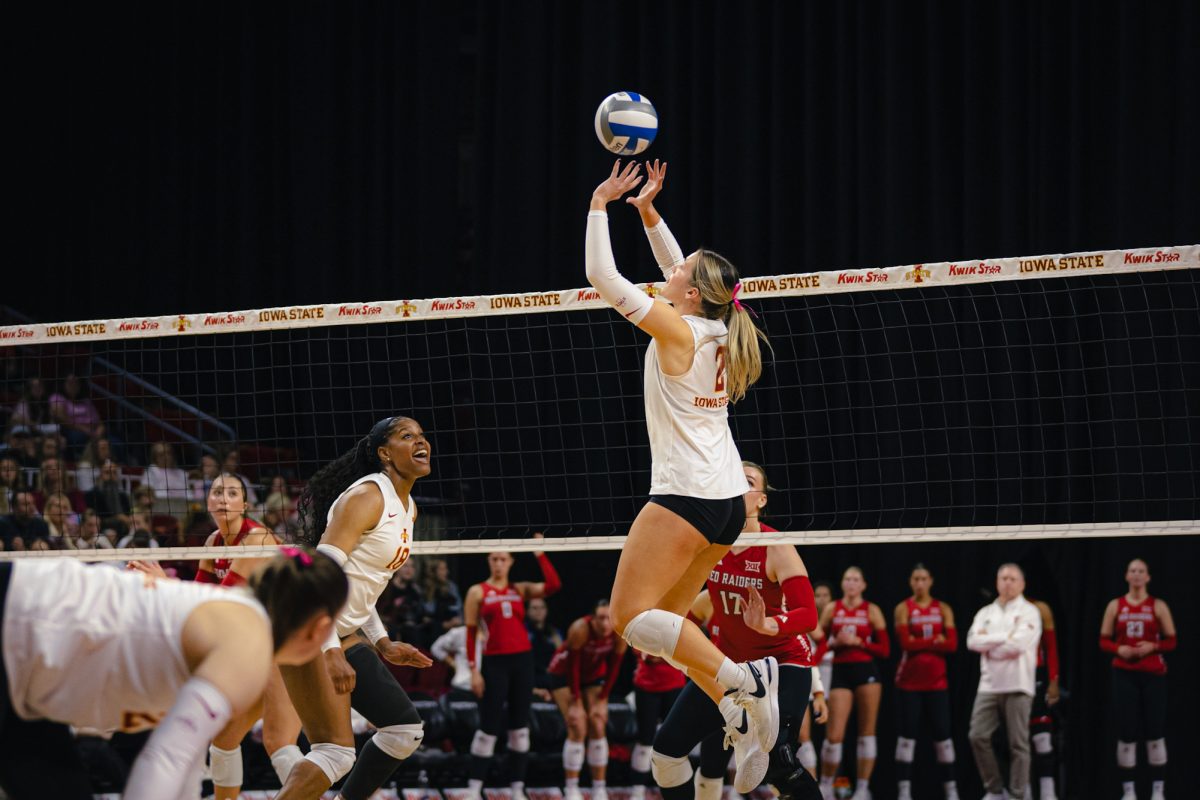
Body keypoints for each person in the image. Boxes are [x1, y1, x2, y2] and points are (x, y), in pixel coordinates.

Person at [586, 159, 777, 775]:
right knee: (663, 628)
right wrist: (646, 213)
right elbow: (679, 271)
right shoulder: (720, 328)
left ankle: (742, 682)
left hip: (684, 498)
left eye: (681, 271)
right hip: (724, 504)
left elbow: (600, 274)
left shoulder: (677, 330)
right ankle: (739, 716)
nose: (671, 271)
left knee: (629, 620)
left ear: (691, 292)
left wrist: (599, 203)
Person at [0, 547, 348, 799]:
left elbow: (187, 760)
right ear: (320, 628)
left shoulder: (238, 621)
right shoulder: (248, 645)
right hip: (13, 629)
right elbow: (166, 758)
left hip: (24, 670)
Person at [276, 415, 435, 800]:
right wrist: (330, 651)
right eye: (406, 436)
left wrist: (382, 643)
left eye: (422, 435)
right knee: (335, 753)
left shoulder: (407, 507)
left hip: (338, 629)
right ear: (384, 453)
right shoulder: (367, 497)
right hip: (306, 624)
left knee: (403, 731)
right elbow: (321, 579)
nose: (421, 442)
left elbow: (362, 585)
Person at [653, 462, 822, 800]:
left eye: (747, 482)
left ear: (761, 500)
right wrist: (653, 629)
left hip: (784, 663)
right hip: (729, 668)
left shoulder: (776, 546)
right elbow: (692, 606)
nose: (738, 486)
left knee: (780, 764)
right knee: (665, 753)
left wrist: (767, 624)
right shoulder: (710, 544)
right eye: (733, 480)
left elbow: (809, 615)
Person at [463, 543, 562, 800]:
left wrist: (540, 552)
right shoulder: (477, 592)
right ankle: (474, 788)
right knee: (489, 726)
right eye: (494, 559)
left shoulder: (519, 590)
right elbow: (471, 633)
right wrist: (474, 670)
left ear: (510, 562)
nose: (498, 563)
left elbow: (553, 586)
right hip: (494, 662)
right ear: (488, 560)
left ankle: (517, 787)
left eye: (503, 559)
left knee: (519, 726)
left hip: (522, 661)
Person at [1100, 558, 1177, 800]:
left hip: (1153, 675)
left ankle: (1158, 791)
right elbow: (1103, 640)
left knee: (1155, 730)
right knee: (1127, 731)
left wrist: (1153, 647)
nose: (1136, 574)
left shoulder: (1158, 606)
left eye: (1140, 571)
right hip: (1124, 673)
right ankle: (1129, 792)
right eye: (1132, 570)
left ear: (1148, 577)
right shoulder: (1116, 605)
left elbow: (1172, 641)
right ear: (1126, 576)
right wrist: (1118, 649)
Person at [966, 563, 1042, 800]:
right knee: (977, 735)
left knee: (1018, 743)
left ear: (1022, 583)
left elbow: (1018, 645)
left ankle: (1018, 793)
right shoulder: (985, 613)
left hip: (1018, 684)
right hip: (989, 685)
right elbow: (972, 642)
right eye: (1003, 578)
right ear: (997, 581)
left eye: (1012, 578)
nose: (1007, 582)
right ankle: (995, 790)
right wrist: (1003, 638)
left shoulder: (1030, 611)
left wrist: (990, 645)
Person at [818, 567, 889, 800]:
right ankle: (826, 785)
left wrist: (860, 642)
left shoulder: (872, 610)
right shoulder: (832, 608)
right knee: (834, 735)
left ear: (863, 585)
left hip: (866, 672)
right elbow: (819, 645)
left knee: (866, 733)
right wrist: (834, 642)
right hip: (840, 671)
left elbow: (885, 650)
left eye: (855, 579)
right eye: (847, 579)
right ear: (842, 583)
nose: (851, 583)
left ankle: (862, 788)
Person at [546, 601, 626, 800]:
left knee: (598, 723)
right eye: (600, 618)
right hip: (564, 676)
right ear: (593, 618)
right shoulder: (580, 628)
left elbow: (615, 666)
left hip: (593, 676)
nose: (605, 624)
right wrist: (576, 701)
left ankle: (599, 788)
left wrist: (602, 699)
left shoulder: (619, 630)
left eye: (609, 618)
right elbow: (573, 667)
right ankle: (571, 788)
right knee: (578, 724)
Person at [892, 564, 959, 800]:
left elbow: (952, 645)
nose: (920, 583)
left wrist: (919, 639)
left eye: (923, 578)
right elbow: (906, 644)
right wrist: (934, 641)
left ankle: (951, 792)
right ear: (911, 582)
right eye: (915, 579)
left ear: (931, 581)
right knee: (907, 735)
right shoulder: (903, 608)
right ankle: (904, 792)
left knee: (943, 735)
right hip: (909, 682)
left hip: (937, 683)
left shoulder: (943, 608)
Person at [629, 648, 686, 800]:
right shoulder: (643, 624)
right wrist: (670, 655)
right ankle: (637, 789)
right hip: (646, 686)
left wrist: (667, 655)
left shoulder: (682, 623)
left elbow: (686, 653)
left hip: (675, 685)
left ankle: (669, 787)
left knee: (673, 743)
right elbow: (648, 656)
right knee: (645, 740)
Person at [798, 580, 834, 777]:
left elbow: (821, 644)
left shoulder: (800, 613)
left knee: (804, 735)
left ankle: (815, 789)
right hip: (775, 677)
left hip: (802, 677)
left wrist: (811, 663)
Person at [1028, 599, 1061, 800]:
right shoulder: (998, 610)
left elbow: (1051, 648)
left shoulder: (1040, 608)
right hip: (1011, 676)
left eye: (1014, 579)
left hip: (1036, 672)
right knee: (1016, 739)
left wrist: (1053, 680)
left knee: (1042, 737)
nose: (1008, 584)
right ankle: (1022, 791)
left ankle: (1048, 791)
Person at [47, 373, 107, 455]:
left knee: (113, 441)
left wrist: (99, 432)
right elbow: (61, 418)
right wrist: (85, 430)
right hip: (72, 430)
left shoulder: (86, 401)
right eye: (70, 383)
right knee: (79, 438)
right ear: (63, 384)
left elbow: (99, 422)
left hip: (92, 431)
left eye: (76, 383)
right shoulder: (57, 398)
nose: (73, 386)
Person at [526, 595, 563, 697]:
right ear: (527, 611)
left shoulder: (554, 633)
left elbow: (562, 657)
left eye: (542, 608)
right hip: (530, 677)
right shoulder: (522, 632)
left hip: (549, 676)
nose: (539, 611)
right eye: (534, 608)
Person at [423, 557, 464, 638]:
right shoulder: (427, 589)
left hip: (454, 625)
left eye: (446, 569)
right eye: (442, 569)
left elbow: (458, 608)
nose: (446, 572)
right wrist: (443, 624)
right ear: (434, 571)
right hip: (435, 628)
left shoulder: (452, 587)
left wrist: (456, 621)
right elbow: (427, 614)